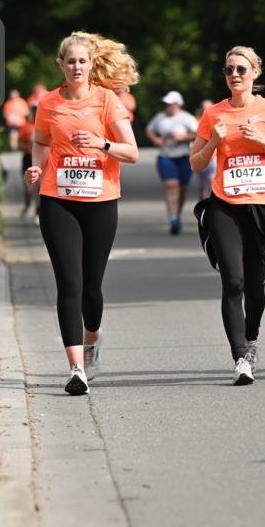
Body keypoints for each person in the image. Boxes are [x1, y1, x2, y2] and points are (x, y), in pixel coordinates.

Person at [24, 31, 139, 395]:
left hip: (101, 201)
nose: (76, 66)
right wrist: (36, 167)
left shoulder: (107, 101)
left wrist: (102, 144)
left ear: (91, 65)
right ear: (60, 64)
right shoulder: (48, 103)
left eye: (82, 61)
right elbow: (41, 141)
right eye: (70, 61)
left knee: (91, 288)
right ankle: (76, 370)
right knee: (69, 284)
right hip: (57, 199)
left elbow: (132, 152)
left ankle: (92, 339)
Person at [190, 46, 265, 385]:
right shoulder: (213, 115)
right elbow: (195, 162)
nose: (234, 75)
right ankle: (240, 358)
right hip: (224, 206)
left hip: (262, 208)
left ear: (255, 73)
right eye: (228, 70)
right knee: (232, 281)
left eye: (240, 69)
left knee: (255, 286)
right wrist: (213, 142)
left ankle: (251, 340)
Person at [146, 92, 198, 234]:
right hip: (165, 157)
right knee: (170, 186)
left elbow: (198, 133)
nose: (168, 106)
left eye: (172, 103)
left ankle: (177, 213)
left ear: (178, 104)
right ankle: (173, 218)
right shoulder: (160, 117)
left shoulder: (187, 118)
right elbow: (149, 130)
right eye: (167, 103)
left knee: (182, 188)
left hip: (184, 156)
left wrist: (184, 137)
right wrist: (156, 139)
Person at [18, 106, 38, 219]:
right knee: (29, 188)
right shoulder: (25, 127)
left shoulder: (46, 125)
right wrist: (28, 148)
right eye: (34, 112)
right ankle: (27, 203)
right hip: (28, 158)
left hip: (42, 161)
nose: (35, 115)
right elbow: (19, 144)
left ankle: (38, 211)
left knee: (40, 188)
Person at [195, 99, 217, 199]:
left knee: (211, 180)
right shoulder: (196, 121)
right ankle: (202, 199)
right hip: (200, 156)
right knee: (200, 184)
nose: (205, 109)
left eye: (208, 107)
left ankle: (209, 201)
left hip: (213, 157)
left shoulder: (218, 119)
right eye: (204, 108)